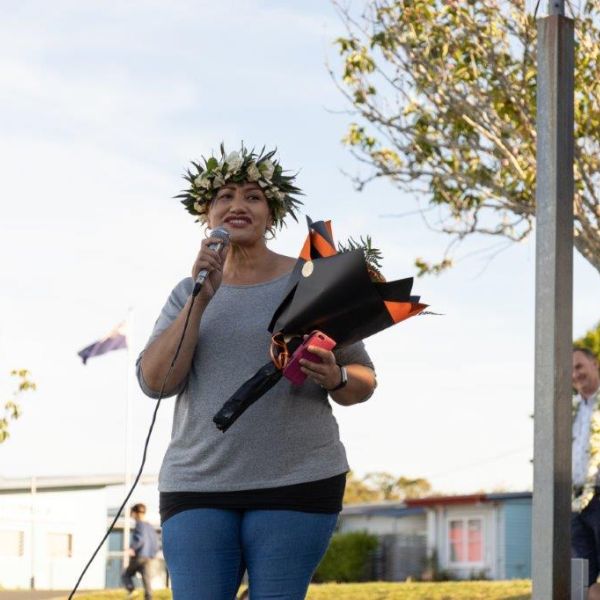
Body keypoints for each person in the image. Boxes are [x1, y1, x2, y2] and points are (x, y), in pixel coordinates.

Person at [136, 144, 377, 600]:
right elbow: (156, 383)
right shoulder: (189, 291)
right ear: (206, 214)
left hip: (298, 481)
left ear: (272, 213)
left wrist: (336, 379)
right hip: (198, 484)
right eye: (224, 196)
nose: (237, 205)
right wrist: (201, 299)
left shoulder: (312, 281)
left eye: (253, 196)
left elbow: (363, 379)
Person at [571, 347, 600, 598]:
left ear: (595, 364)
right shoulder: (572, 410)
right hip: (577, 504)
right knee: (582, 580)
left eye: (579, 366)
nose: (575, 374)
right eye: (570, 370)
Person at [121, 503, 159, 600]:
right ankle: (149, 598)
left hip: (139, 556)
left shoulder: (139, 524)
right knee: (147, 580)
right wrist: (152, 554)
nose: (131, 516)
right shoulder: (150, 526)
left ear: (135, 513)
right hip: (149, 557)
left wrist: (132, 548)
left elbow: (140, 538)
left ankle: (132, 590)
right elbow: (155, 542)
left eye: (131, 513)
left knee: (126, 574)